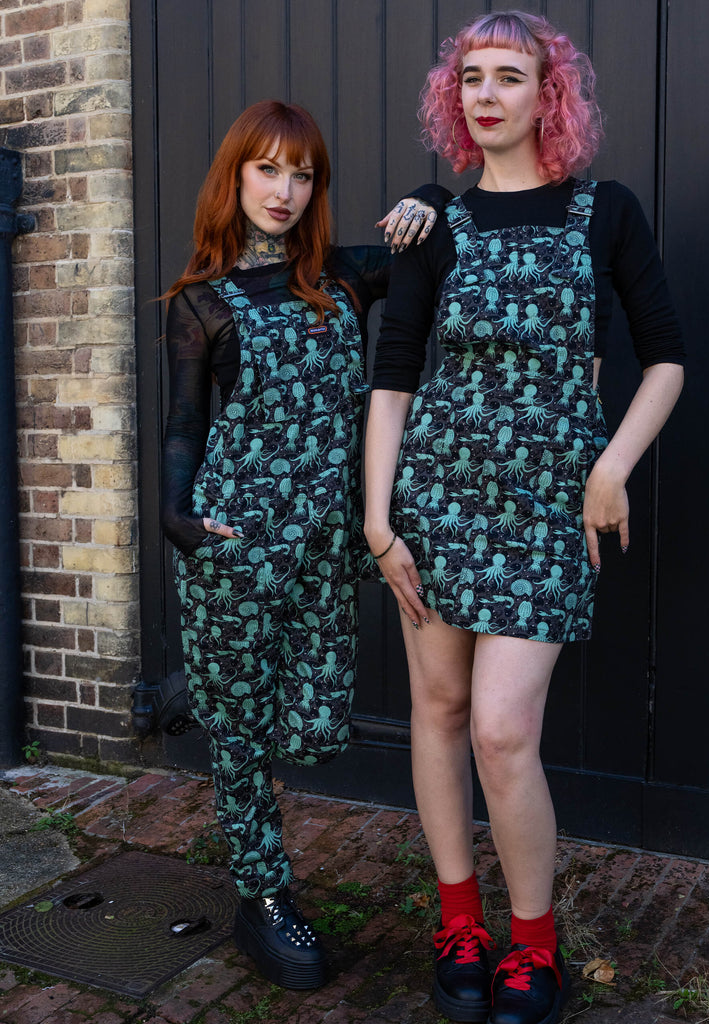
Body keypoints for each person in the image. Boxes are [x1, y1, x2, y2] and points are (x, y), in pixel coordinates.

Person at [363, 12, 684, 1024]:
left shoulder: (605, 214)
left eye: (511, 75)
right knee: (441, 712)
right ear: (450, 98)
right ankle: (460, 919)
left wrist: (612, 466)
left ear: (552, 94)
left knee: (503, 732)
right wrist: (379, 519)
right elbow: (394, 376)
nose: (488, 93)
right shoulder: (436, 226)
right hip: (438, 501)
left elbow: (667, 354)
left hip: (547, 508)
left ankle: (532, 943)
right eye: (470, 77)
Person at [160, 99, 443, 990]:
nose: (284, 190)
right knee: (244, 737)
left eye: (302, 173)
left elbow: (434, 252)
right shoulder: (201, 303)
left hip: (324, 546)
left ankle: (195, 686)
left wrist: (430, 193)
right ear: (234, 177)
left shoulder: (343, 278)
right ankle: (262, 889)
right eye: (267, 169)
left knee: (314, 726)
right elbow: (182, 426)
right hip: (234, 540)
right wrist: (176, 516)